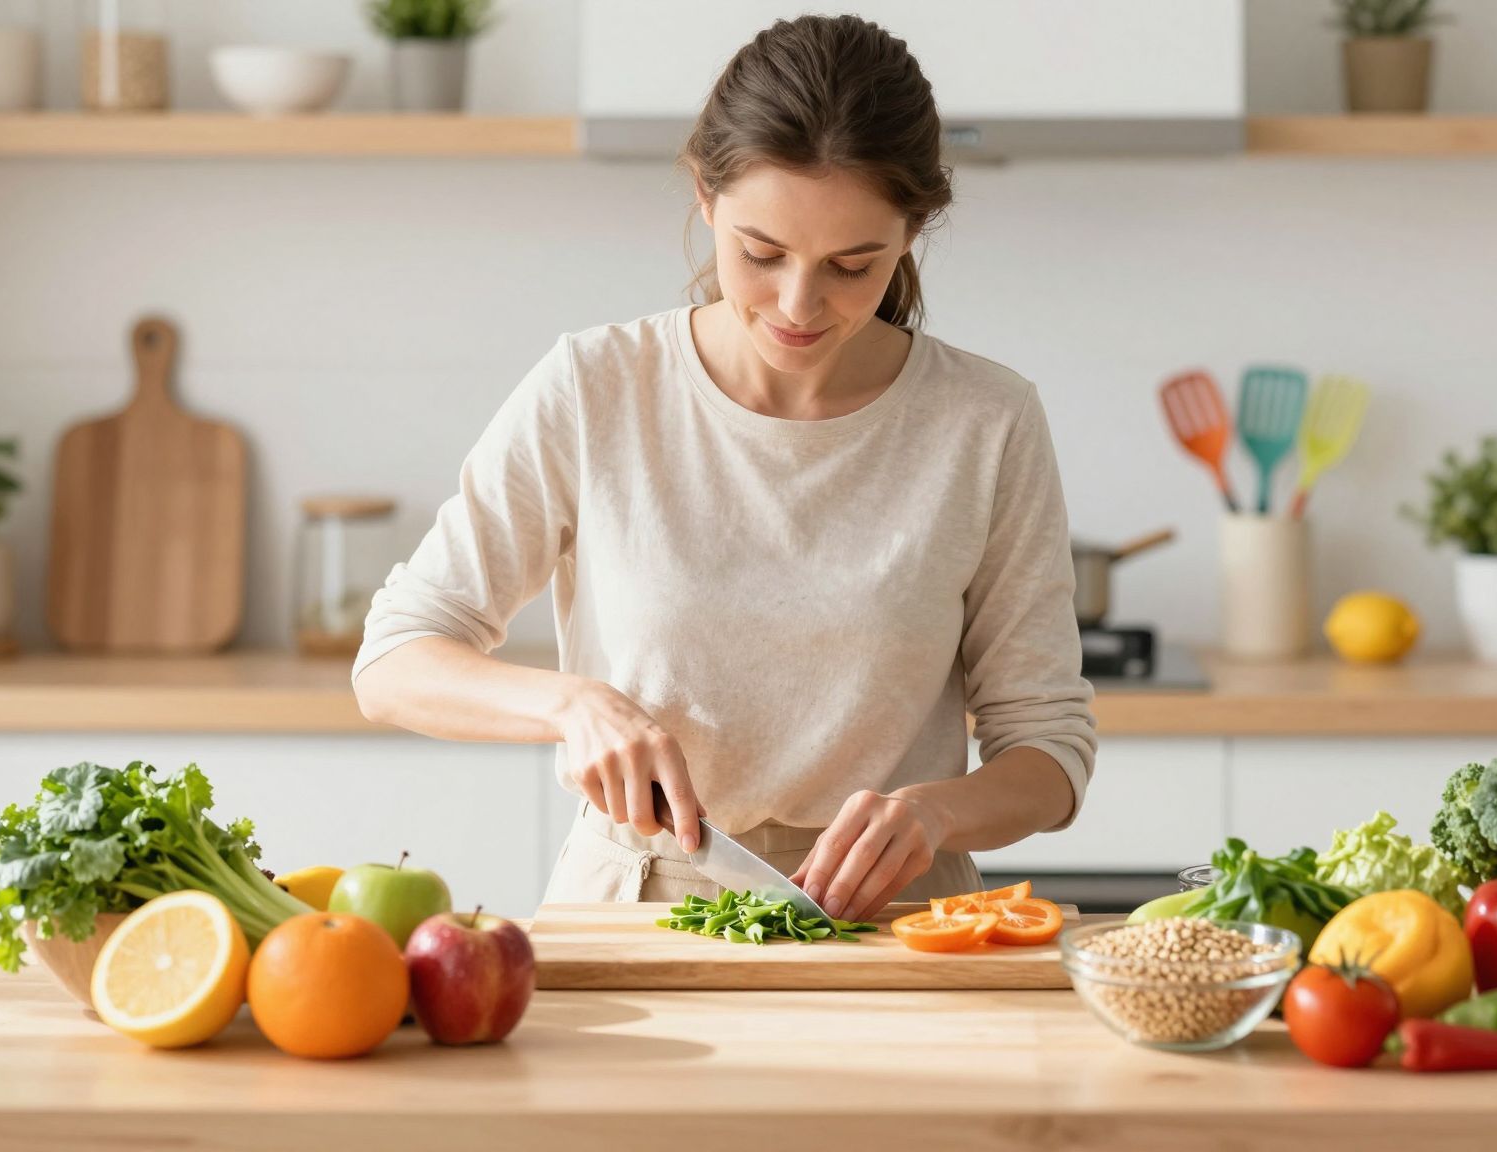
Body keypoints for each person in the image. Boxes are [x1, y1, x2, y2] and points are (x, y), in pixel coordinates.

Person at [352, 14, 1095, 924]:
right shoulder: (596, 387)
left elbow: (1050, 754)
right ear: (705, 197)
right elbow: (393, 661)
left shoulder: (986, 421)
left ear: (914, 230)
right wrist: (569, 704)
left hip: (898, 928)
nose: (798, 304)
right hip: (630, 908)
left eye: (852, 265)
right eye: (761, 253)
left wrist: (937, 812)